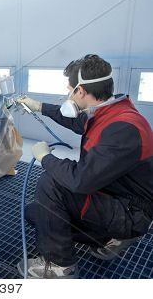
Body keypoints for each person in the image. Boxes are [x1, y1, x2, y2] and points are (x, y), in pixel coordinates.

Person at [16, 54, 153, 278]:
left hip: (131, 212)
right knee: (36, 213)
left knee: (52, 183)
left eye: (69, 89)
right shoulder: (109, 112)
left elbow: (80, 181)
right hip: (115, 198)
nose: (67, 94)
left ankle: (61, 267)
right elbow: (75, 121)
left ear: (80, 91)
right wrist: (38, 106)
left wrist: (46, 158)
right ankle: (109, 238)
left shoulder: (122, 129)